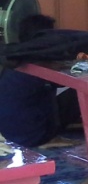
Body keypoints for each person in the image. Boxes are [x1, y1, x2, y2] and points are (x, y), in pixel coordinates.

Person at [0, 15, 80, 147]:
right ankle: (49, 138)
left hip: (8, 133)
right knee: (77, 93)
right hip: (33, 136)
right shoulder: (40, 61)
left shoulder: (15, 57)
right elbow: (62, 81)